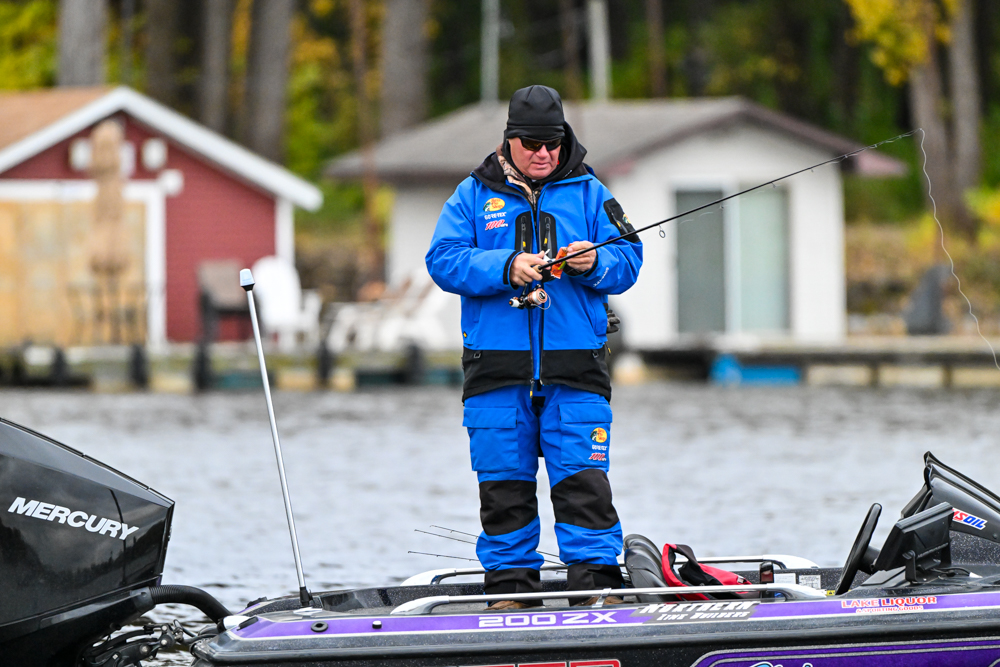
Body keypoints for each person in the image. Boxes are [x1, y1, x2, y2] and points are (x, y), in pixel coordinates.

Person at [425, 85, 642, 609]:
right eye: (532, 143)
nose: (543, 153)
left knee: (585, 487)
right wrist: (506, 266)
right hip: (495, 374)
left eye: (553, 143)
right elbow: (443, 259)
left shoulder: (591, 193)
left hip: (577, 370)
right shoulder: (472, 195)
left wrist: (595, 262)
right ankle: (510, 594)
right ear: (510, 140)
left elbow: (629, 259)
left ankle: (595, 589)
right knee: (503, 490)